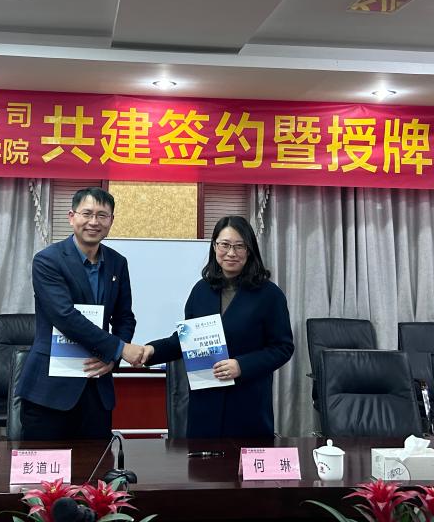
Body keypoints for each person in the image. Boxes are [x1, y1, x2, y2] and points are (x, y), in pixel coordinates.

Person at [143, 215, 293, 438]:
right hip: (205, 405)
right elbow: (186, 339)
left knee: (242, 460)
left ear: (250, 251)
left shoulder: (269, 295)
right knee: (203, 460)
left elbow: (282, 348)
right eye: (225, 245)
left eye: (239, 246)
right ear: (214, 247)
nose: (231, 253)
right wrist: (152, 350)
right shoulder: (201, 290)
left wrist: (242, 365)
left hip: (248, 405)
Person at [15, 187, 146, 439]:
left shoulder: (118, 263)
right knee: (46, 462)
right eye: (87, 213)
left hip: (96, 387)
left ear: (111, 221)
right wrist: (120, 348)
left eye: (102, 215)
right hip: (50, 389)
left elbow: (124, 317)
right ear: (71, 216)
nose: (94, 222)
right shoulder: (47, 260)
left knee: (95, 462)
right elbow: (65, 316)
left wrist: (112, 360)